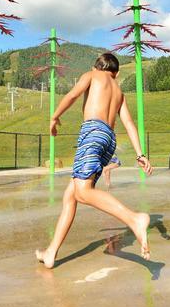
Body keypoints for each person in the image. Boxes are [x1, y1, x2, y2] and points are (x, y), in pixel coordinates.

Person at [35, 53, 154, 269]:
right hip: (109, 139)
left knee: (83, 192)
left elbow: (72, 95)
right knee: (70, 196)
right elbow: (128, 122)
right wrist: (140, 154)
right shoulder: (119, 91)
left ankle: (134, 219)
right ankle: (51, 252)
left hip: (92, 132)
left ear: (96, 67)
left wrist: (54, 117)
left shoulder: (92, 75)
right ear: (115, 73)